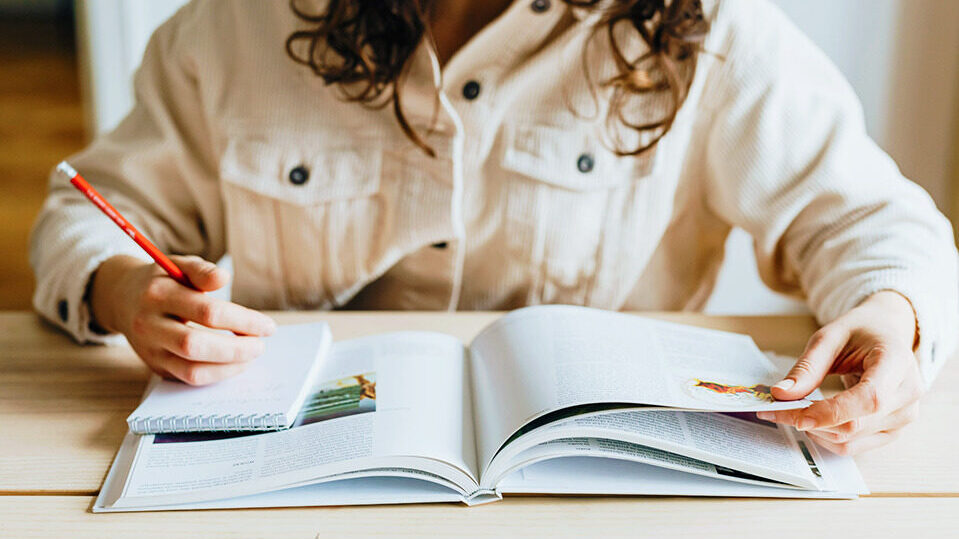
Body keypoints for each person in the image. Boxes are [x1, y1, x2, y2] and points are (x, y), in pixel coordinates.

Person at [30, 0, 958, 456]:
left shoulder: (711, 29)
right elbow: (86, 209)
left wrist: (891, 315)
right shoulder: (232, 26)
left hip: (617, 486)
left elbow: (874, 221)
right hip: (310, 482)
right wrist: (122, 289)